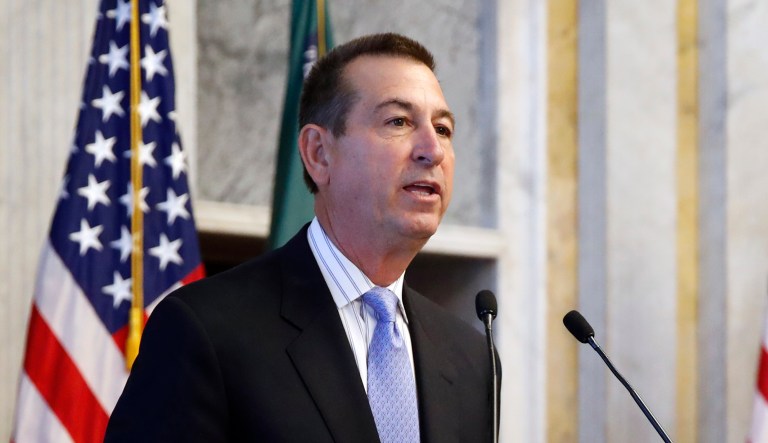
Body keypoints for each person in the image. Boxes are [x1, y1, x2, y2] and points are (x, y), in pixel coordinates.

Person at [105, 32, 497, 443]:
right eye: (398, 121)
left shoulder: (471, 360)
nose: (432, 150)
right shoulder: (206, 331)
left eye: (444, 128)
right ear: (318, 154)